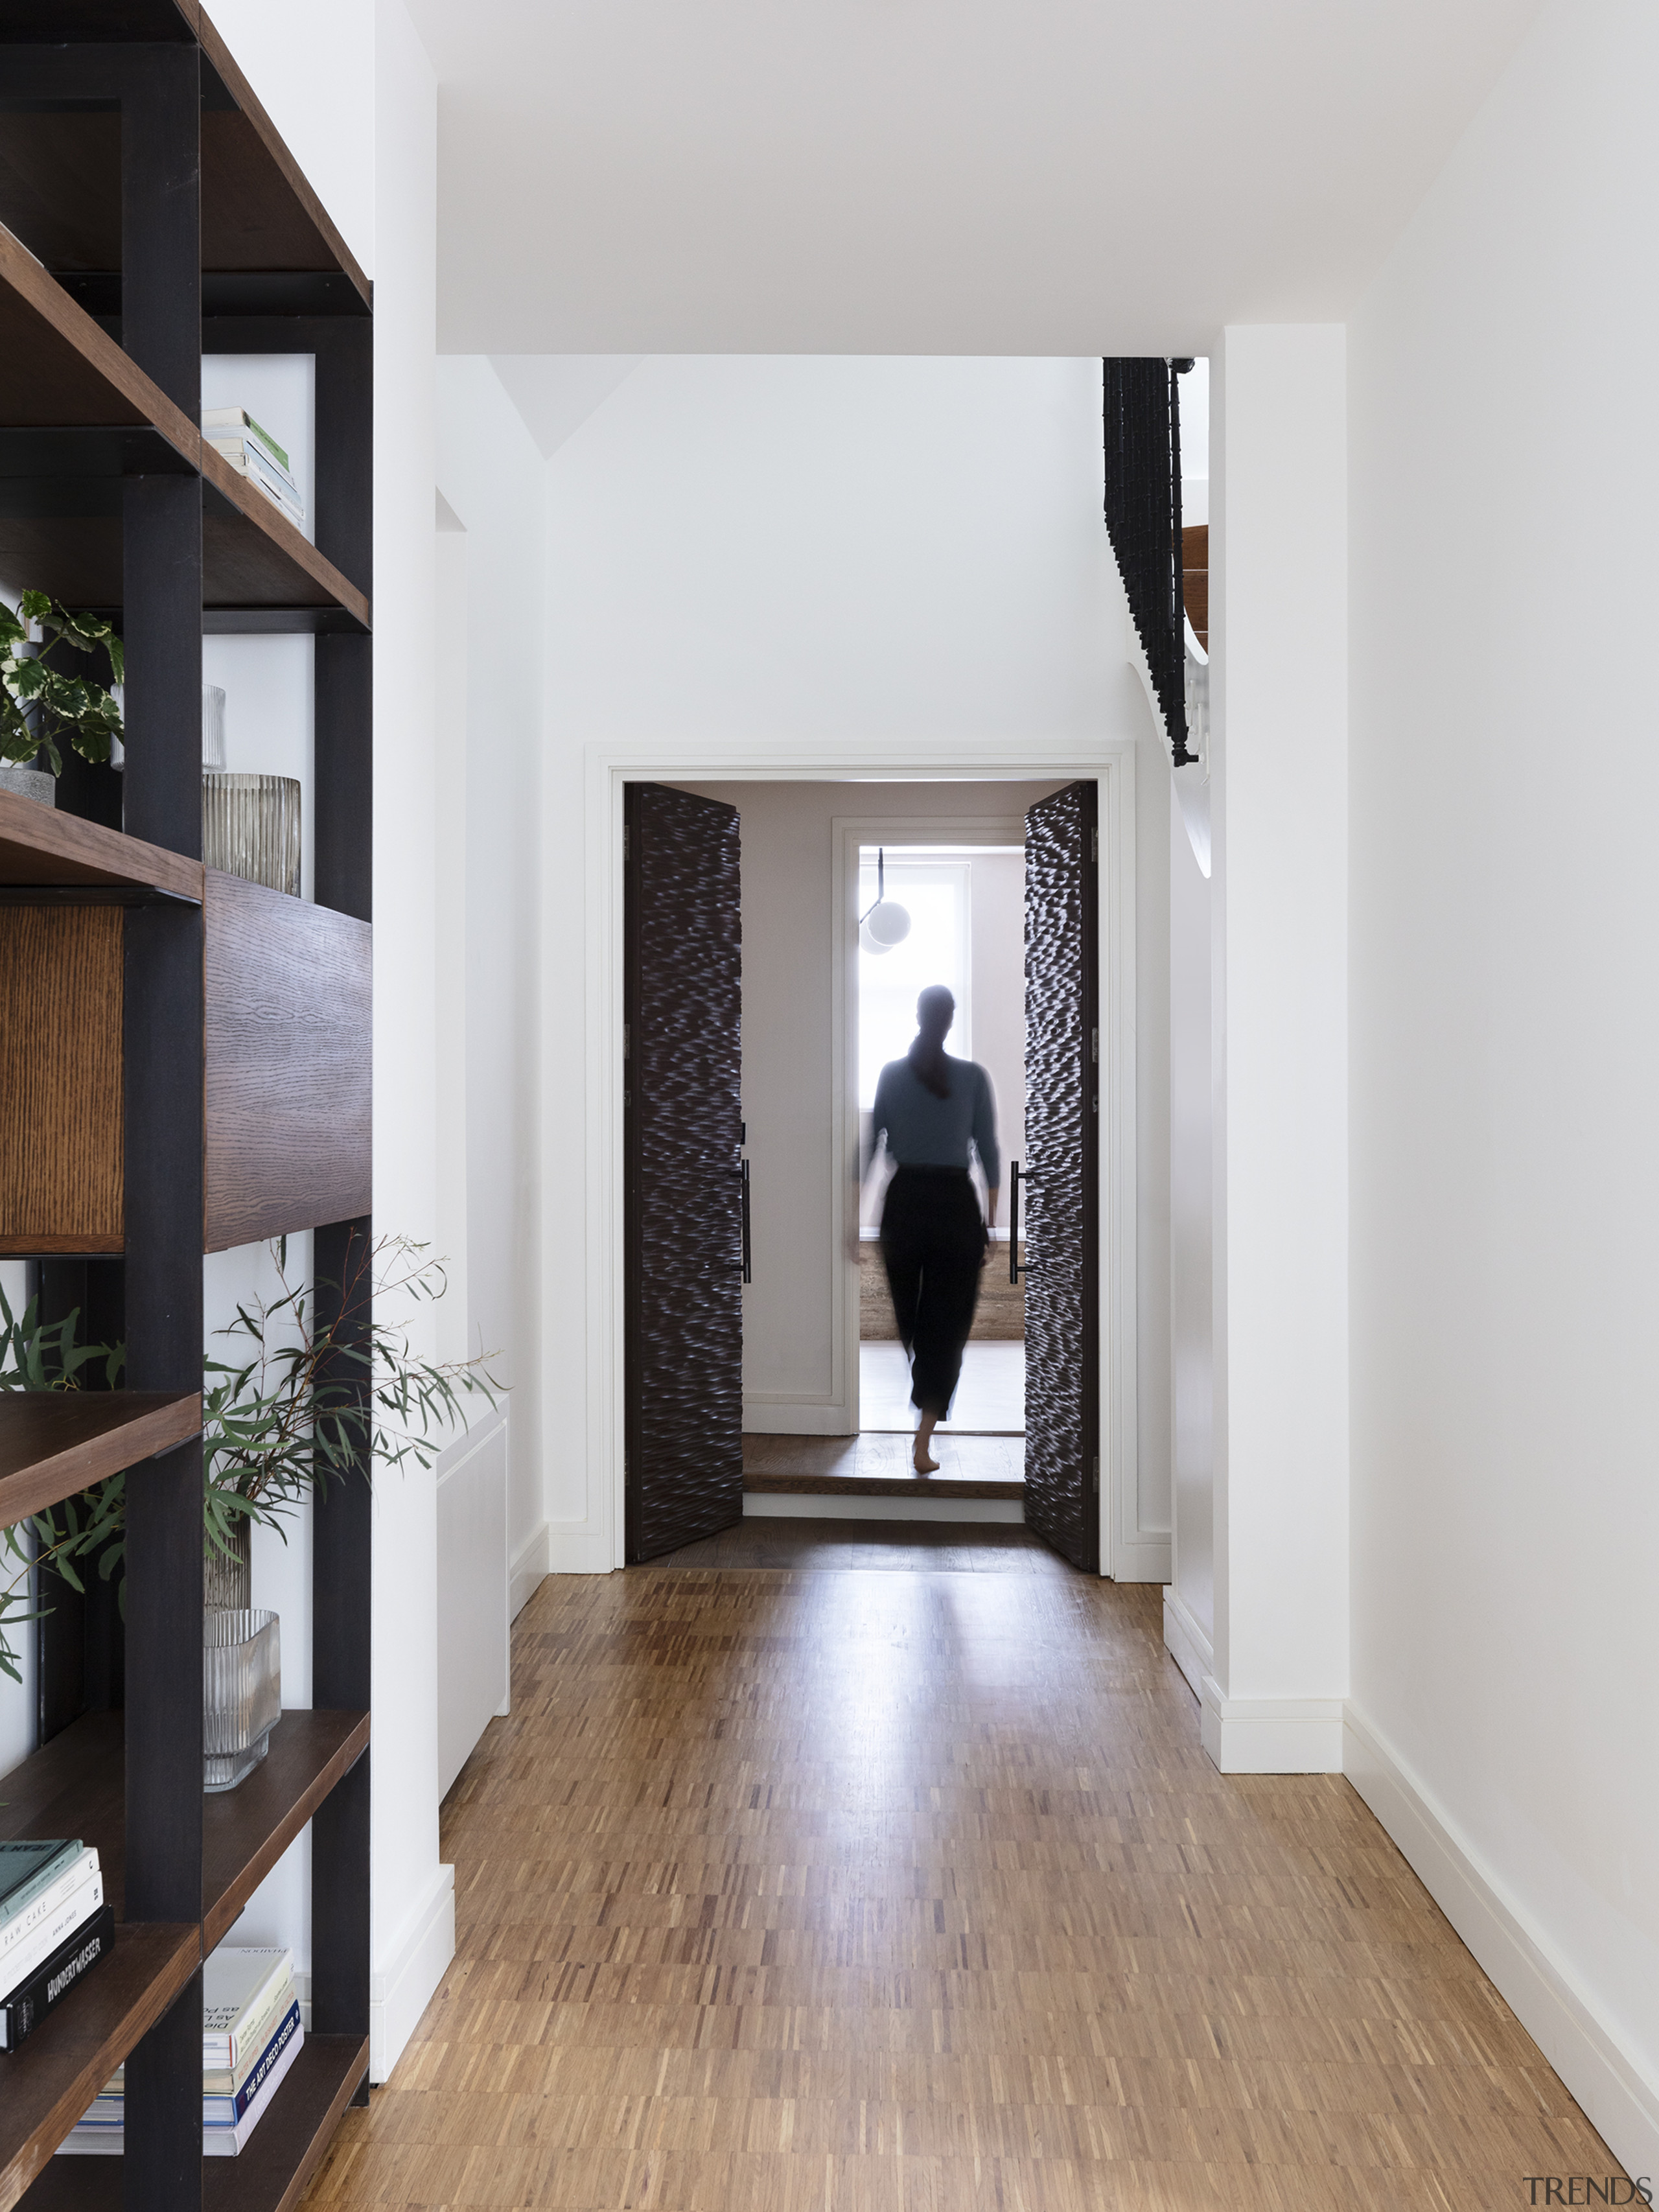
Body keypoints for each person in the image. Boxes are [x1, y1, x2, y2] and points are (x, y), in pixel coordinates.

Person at [868, 984, 999, 1473]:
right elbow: (987, 1150)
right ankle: (926, 1419)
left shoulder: (893, 1075)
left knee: (915, 1323)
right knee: (947, 1323)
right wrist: (989, 1221)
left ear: (919, 1016)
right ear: (950, 1019)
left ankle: (923, 1425)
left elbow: (871, 1148)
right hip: (952, 1205)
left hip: (904, 1204)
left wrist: (849, 1221)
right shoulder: (971, 1077)